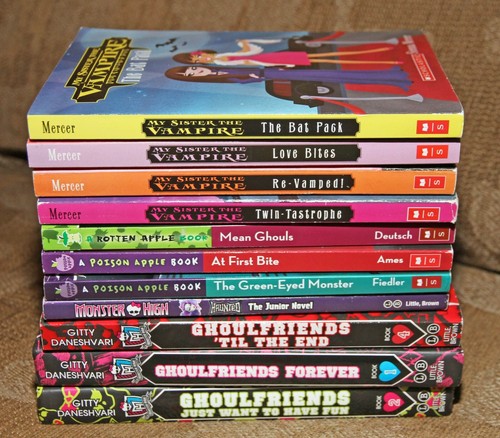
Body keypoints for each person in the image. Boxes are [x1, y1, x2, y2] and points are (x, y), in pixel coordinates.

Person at [173, 39, 401, 66]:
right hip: (265, 60)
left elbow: (246, 54)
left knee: (324, 55)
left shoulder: (220, 58)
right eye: (199, 59)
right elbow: (246, 59)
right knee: (324, 58)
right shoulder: (221, 62)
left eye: (199, 55)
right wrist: (245, 46)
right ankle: (377, 56)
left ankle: (377, 49)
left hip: (266, 57)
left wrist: (244, 45)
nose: (203, 58)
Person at [165, 65, 412, 90]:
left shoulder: (220, 67)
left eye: (192, 68)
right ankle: (393, 79)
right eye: (192, 75)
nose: (197, 71)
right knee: (334, 78)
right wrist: (254, 75)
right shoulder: (223, 78)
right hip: (274, 75)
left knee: (333, 74)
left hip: (279, 70)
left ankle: (391, 75)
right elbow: (248, 78)